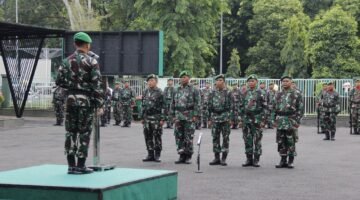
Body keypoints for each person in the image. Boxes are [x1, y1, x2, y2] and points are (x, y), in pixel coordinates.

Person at [56, 32, 104, 174]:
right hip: (86, 102)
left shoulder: (66, 61)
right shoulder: (92, 62)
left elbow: (59, 81)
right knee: (84, 133)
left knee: (70, 132)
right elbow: (97, 85)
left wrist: (71, 88)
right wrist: (99, 104)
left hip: (70, 101)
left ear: (75, 44)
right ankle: (81, 165)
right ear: (87, 45)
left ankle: (71, 166)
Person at [272, 76, 304, 169]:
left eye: (287, 81)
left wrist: (297, 121)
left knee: (291, 140)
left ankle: (290, 160)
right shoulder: (278, 93)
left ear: (291, 82)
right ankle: (282, 160)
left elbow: (300, 108)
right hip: (280, 119)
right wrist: (273, 120)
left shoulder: (297, 93)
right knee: (281, 140)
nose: (284, 82)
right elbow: (273, 107)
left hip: (291, 119)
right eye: (283, 81)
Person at [171, 70, 201, 164]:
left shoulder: (194, 89)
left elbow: (198, 103)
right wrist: (172, 115)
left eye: (185, 77)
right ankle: (181, 155)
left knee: (188, 136)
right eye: (182, 77)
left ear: (189, 78)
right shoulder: (176, 89)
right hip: (178, 115)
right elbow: (172, 103)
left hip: (189, 115)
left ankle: (188, 155)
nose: (184, 79)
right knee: (179, 136)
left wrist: (196, 115)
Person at [240, 74, 267, 167]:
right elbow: (240, 107)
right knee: (247, 139)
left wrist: (263, 120)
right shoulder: (244, 92)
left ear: (256, 82)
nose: (251, 83)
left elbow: (266, 107)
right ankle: (248, 158)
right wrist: (241, 119)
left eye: (253, 81)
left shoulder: (261, 93)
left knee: (257, 139)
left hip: (257, 119)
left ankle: (256, 159)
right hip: (246, 119)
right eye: (249, 81)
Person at [208, 74, 232, 166]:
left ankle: (224, 158)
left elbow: (232, 107)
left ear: (224, 82)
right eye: (217, 80)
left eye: (221, 80)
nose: (219, 82)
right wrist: (209, 119)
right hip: (215, 118)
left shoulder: (228, 93)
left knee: (225, 138)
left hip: (225, 118)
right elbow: (209, 106)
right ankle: (216, 157)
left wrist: (232, 119)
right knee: (215, 138)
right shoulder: (212, 93)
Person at [141, 74, 166, 162]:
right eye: (149, 80)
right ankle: (150, 154)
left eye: (152, 80)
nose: (150, 82)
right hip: (147, 117)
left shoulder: (160, 92)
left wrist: (162, 118)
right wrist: (142, 117)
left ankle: (157, 154)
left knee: (157, 136)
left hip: (156, 118)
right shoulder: (145, 91)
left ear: (156, 81)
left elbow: (164, 106)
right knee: (147, 136)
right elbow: (143, 105)